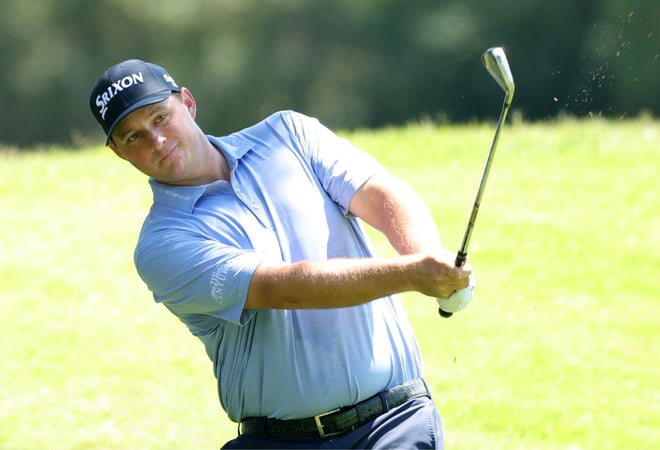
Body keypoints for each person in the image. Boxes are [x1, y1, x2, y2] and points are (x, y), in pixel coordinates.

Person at [88, 59, 473, 449]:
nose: (157, 141)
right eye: (133, 137)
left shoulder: (287, 134)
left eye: (160, 117)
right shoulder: (161, 244)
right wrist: (411, 274)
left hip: (394, 425)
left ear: (187, 103)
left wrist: (433, 263)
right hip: (280, 441)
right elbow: (282, 288)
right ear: (119, 152)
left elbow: (379, 193)